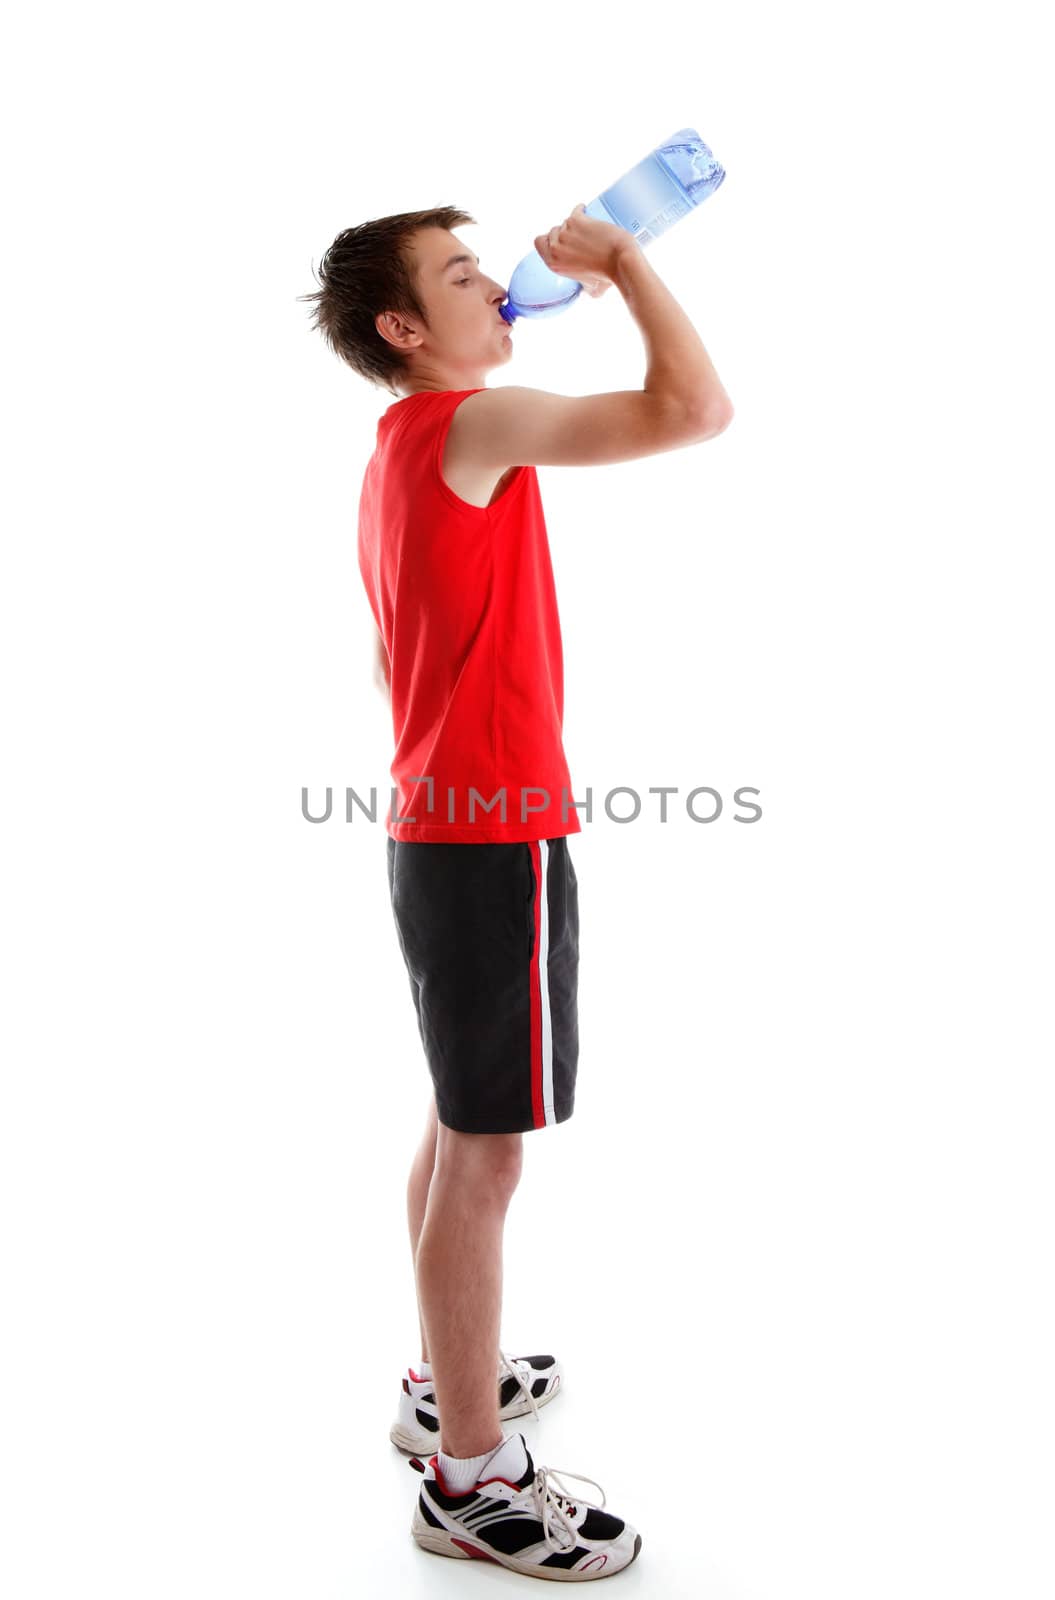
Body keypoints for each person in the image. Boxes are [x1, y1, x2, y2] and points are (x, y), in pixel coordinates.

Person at [300, 202, 733, 1579]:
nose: (503, 286)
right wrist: (630, 266)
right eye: (463, 276)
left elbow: (396, 662)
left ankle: (450, 1380)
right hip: (488, 837)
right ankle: (470, 1476)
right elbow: (694, 409)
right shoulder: (469, 426)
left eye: (495, 268)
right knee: (488, 1152)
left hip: (444, 825)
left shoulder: (400, 450)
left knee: (455, 1116)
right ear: (404, 330)